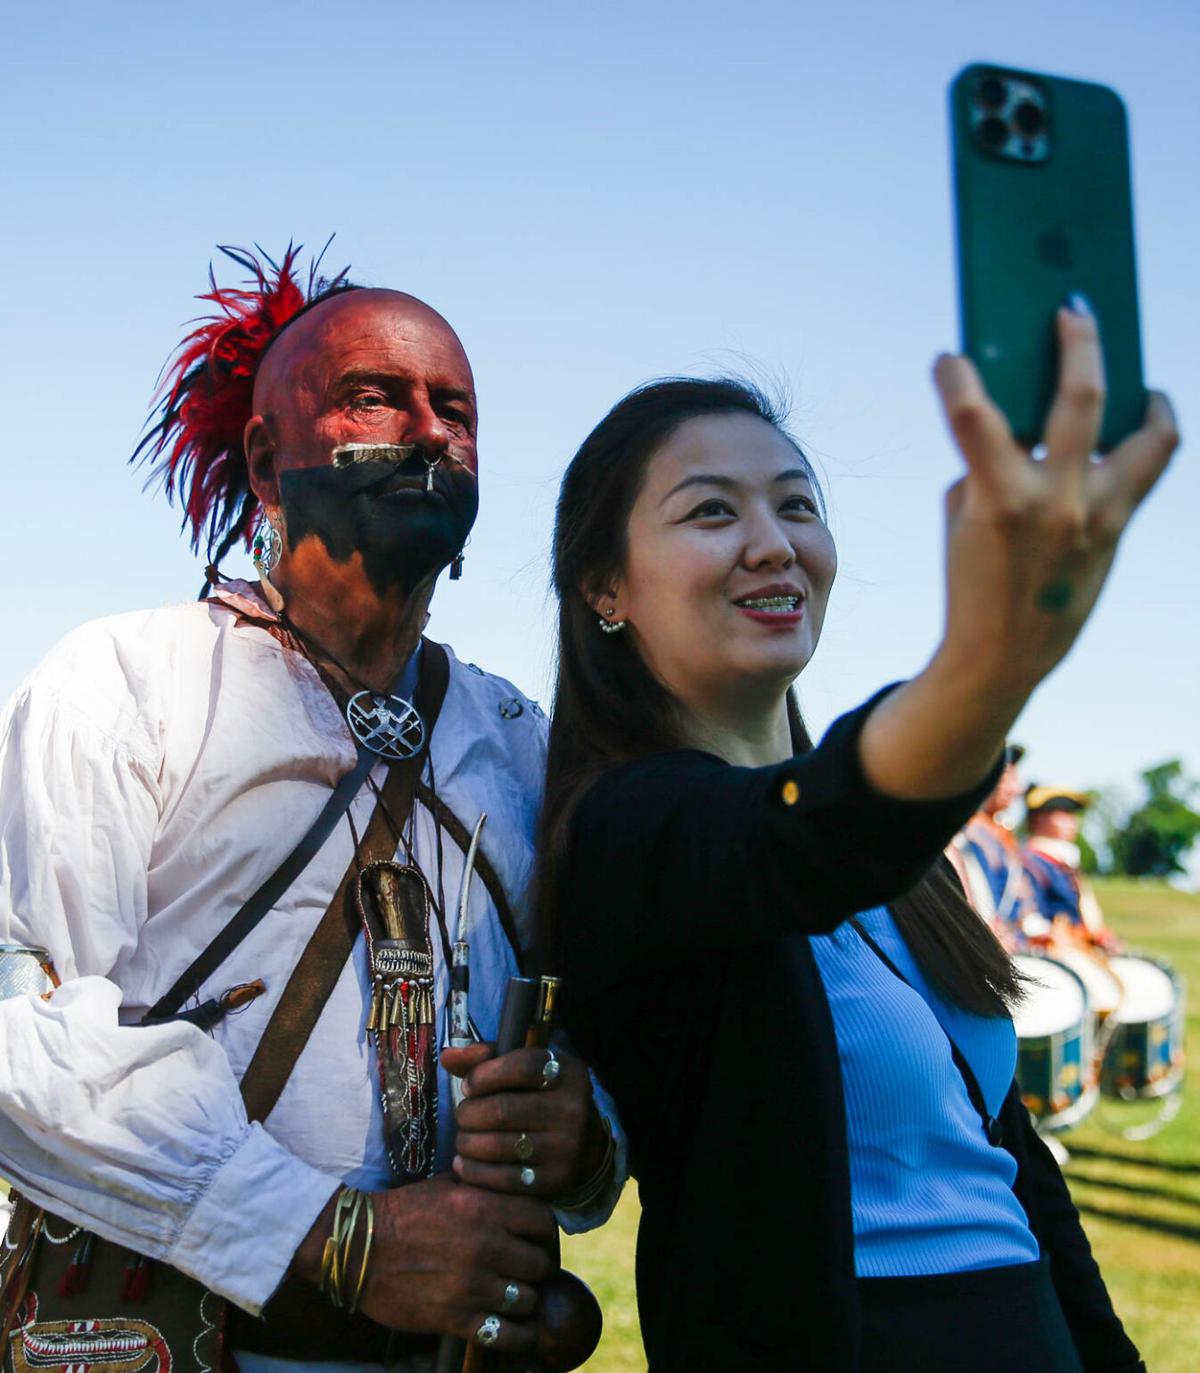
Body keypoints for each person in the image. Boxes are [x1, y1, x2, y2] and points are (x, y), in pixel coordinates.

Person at [0, 246, 623, 1371]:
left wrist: (581, 1136)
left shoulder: (523, 740)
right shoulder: (123, 681)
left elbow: (592, 1035)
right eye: (374, 397)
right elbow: (26, 1035)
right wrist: (334, 1236)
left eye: (457, 409)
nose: (431, 432)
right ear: (266, 457)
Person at [538, 300, 1176, 1370]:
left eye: (798, 504)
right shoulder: (629, 831)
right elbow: (791, 843)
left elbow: (1009, 1164)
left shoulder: (898, 869)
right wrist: (993, 655)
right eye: (711, 513)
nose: (773, 542)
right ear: (606, 586)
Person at [949, 744, 1038, 948]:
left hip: (1012, 941)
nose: (1015, 789)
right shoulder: (968, 832)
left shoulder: (998, 833)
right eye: (1007, 778)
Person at [1022, 786, 1118, 951]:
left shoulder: (1064, 864)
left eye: (1072, 816)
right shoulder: (1031, 863)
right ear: (1039, 819)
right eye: (1063, 815)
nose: (1072, 822)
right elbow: (1029, 918)